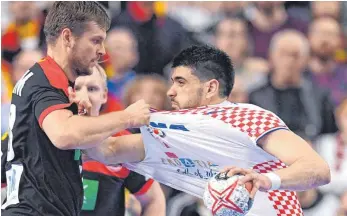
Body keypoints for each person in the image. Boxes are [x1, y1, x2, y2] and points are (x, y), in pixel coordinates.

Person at [77, 45, 331, 216]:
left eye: (181, 82)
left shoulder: (248, 117)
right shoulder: (171, 133)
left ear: (210, 88)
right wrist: (89, 112)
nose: (170, 92)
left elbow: (318, 170)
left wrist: (266, 180)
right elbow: (107, 150)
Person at [1, 2, 150, 216]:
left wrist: (174, 141)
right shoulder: (47, 78)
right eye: (96, 40)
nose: (102, 51)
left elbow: (107, 149)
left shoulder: (56, 84)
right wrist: (127, 117)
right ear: (68, 37)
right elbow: (65, 134)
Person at [68, 65, 165, 216]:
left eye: (92, 89)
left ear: (104, 95)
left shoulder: (122, 141)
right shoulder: (39, 137)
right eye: (76, 88)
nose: (84, 97)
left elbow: (154, 200)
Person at [249, 30, 337, 140]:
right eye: (283, 54)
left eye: (295, 55)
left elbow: (329, 137)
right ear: (271, 57)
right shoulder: (256, 98)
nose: (289, 61)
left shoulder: (320, 97)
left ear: (306, 60)